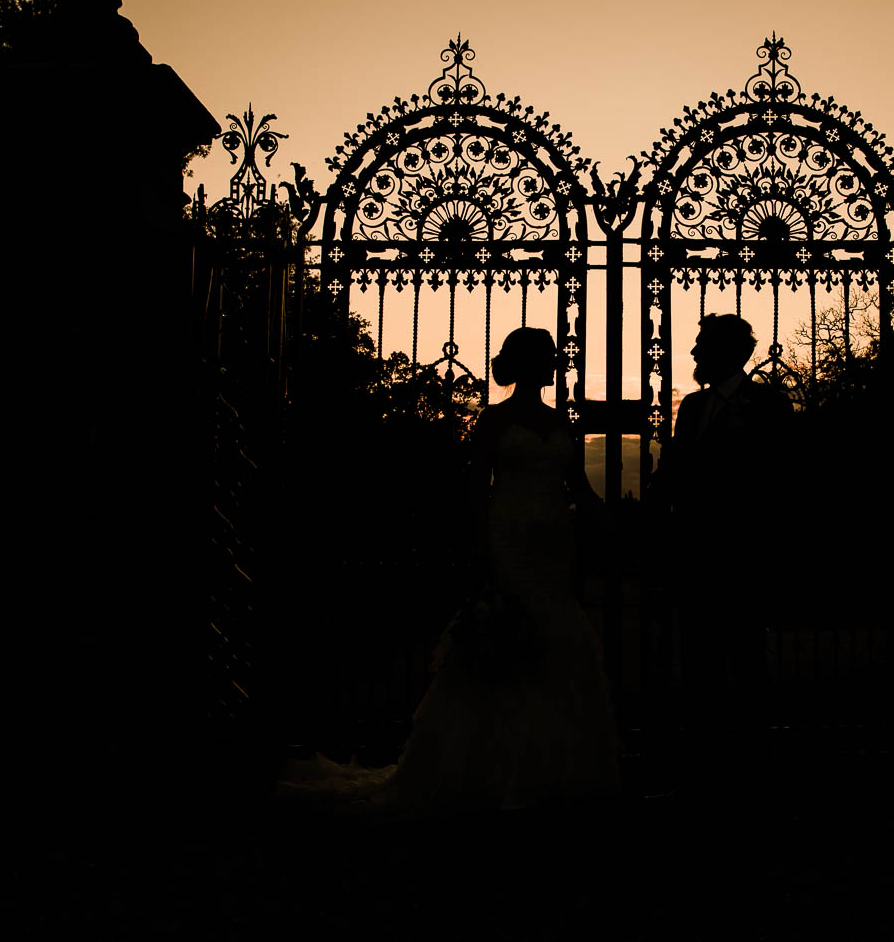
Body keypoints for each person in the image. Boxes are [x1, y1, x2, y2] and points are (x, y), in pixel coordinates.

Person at [275, 327, 621, 814]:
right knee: (505, 643)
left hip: (553, 548)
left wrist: (607, 521)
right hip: (507, 541)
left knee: (556, 640)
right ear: (525, 364)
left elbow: (577, 487)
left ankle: (552, 767)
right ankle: (483, 768)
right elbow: (476, 488)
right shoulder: (494, 420)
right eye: (545, 356)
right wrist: (481, 551)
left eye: (552, 356)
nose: (553, 363)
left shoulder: (558, 419)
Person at [655, 313, 793, 785]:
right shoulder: (691, 406)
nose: (694, 353)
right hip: (696, 555)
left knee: (747, 659)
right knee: (699, 661)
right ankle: (703, 759)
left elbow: (780, 483)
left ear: (733, 352)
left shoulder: (768, 406)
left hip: (743, 556)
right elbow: (675, 471)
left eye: (703, 345)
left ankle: (753, 762)